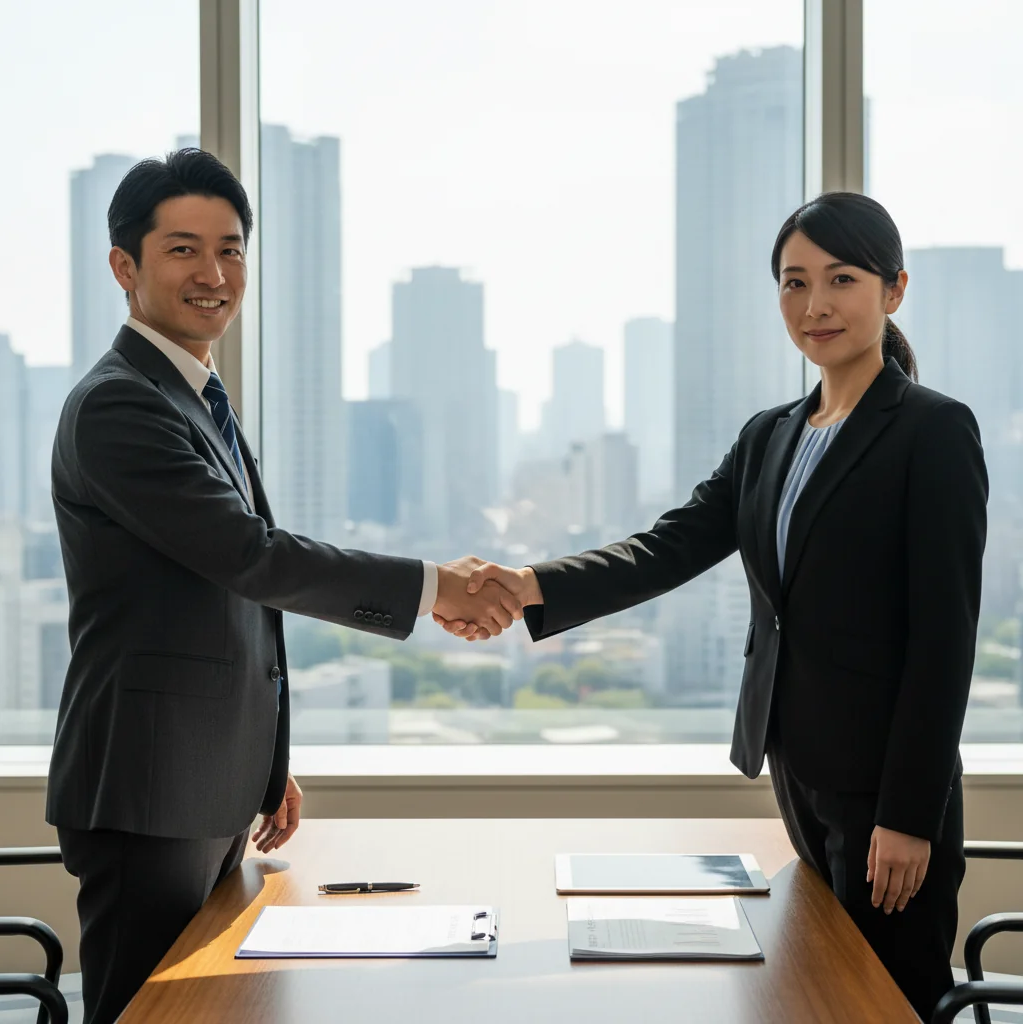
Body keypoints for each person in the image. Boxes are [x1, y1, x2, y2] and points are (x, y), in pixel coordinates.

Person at [438, 191, 988, 1020]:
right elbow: (669, 546)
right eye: (794, 283)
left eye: (841, 279)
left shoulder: (932, 431)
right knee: (815, 993)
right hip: (798, 767)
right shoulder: (771, 435)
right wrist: (529, 585)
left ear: (894, 289)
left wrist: (910, 816)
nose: (815, 304)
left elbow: (945, 639)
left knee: (887, 1002)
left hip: (887, 791)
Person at [48, 148, 523, 1024]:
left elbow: (226, 604)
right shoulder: (120, 405)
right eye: (183, 250)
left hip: (200, 778)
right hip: (148, 790)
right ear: (124, 267)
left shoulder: (194, 397)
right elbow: (251, 557)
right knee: (146, 1013)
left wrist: (262, 759)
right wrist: (433, 587)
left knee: (213, 1008)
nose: (214, 274)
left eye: (230, 250)